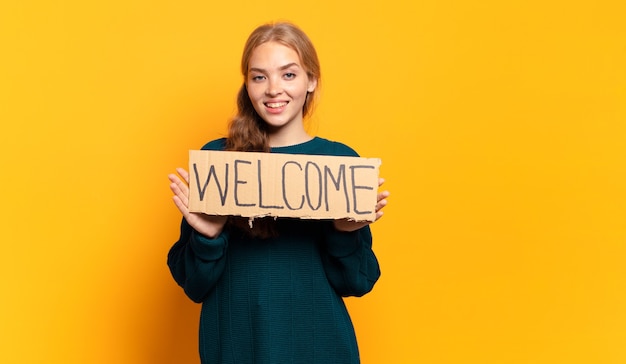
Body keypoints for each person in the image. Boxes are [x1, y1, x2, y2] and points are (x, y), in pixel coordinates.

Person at [167, 21, 390, 364]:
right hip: (236, 344)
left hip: (320, 346)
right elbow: (194, 285)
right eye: (259, 77)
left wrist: (344, 233)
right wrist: (207, 237)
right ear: (247, 85)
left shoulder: (341, 163)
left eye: (288, 75)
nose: (273, 89)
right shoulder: (220, 160)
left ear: (311, 80)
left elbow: (357, 283)